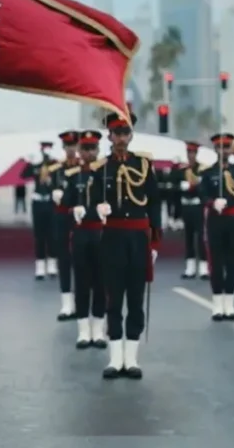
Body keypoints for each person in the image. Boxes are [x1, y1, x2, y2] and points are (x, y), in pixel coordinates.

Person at [94, 113, 160, 379]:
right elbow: (92, 200)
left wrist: (155, 241)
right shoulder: (101, 167)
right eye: (116, 133)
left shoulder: (144, 164)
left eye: (125, 133)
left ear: (131, 135)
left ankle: (131, 359)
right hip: (112, 237)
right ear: (109, 136)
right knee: (114, 297)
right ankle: (114, 359)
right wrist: (97, 207)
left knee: (135, 297)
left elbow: (154, 203)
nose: (120, 138)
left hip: (138, 238)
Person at [62, 129, 108, 349]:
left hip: (101, 232)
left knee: (100, 281)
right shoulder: (73, 176)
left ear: (98, 150)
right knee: (81, 282)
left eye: (92, 148)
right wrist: (72, 209)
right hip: (81, 233)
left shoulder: (107, 173)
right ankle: (83, 330)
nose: (89, 152)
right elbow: (63, 206)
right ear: (79, 150)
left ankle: (98, 329)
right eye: (85, 148)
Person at [199, 133, 234, 322]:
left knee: (233, 261)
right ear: (215, 150)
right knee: (216, 261)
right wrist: (211, 202)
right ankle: (217, 304)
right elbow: (202, 194)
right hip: (216, 220)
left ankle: (230, 303)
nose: (224, 150)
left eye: (227, 147)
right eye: (220, 147)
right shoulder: (208, 172)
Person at [19, 141, 58, 280]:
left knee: (52, 233)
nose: (46, 152)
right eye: (44, 149)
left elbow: (61, 178)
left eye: (48, 149)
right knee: (39, 234)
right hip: (38, 201)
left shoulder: (55, 164)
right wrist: (30, 162)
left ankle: (52, 264)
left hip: (51, 200)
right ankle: (40, 266)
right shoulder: (35, 164)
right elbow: (23, 175)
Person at [52, 131, 80, 319]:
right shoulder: (57, 169)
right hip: (62, 219)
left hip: (80, 219)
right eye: (67, 146)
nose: (70, 149)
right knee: (64, 260)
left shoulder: (83, 168)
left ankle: (80, 303)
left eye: (73, 145)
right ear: (63, 148)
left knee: (81, 262)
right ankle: (66, 304)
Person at [172, 142, 209, 280]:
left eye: (193, 153)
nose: (191, 155)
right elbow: (173, 189)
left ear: (196, 154)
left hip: (198, 206)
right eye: (189, 153)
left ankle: (204, 268)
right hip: (186, 206)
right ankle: (190, 268)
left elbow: (205, 188)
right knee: (188, 237)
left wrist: (195, 187)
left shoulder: (202, 169)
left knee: (201, 238)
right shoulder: (181, 169)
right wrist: (175, 214)